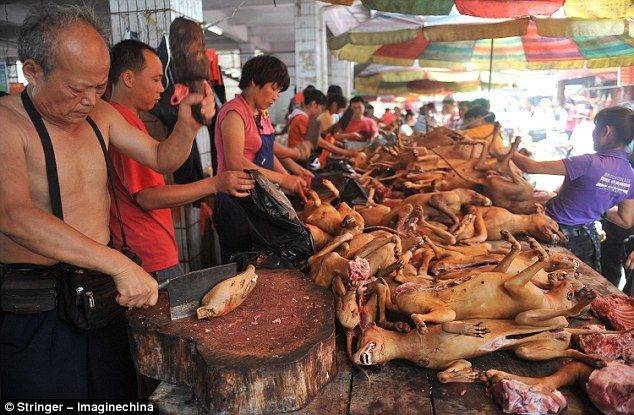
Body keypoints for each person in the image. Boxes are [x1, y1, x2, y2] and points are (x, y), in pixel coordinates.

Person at [0, 4, 214, 398]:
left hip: (100, 290)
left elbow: (161, 157)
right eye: (76, 88)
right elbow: (15, 217)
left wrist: (187, 126)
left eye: (98, 87)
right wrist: (117, 263)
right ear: (32, 72)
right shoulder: (7, 124)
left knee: (115, 394)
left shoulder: (103, 115)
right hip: (36, 302)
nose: (89, 100)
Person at [107, 39, 253, 282]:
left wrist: (190, 124)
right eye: (155, 79)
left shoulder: (131, 121)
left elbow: (164, 158)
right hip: (146, 254)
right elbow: (147, 196)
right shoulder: (119, 121)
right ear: (128, 78)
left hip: (151, 248)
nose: (162, 88)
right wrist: (214, 184)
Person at [510, 106, 634, 273]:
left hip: (550, 231)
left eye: (595, 128)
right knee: (574, 285)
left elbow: (530, 167)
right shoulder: (630, 174)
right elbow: (625, 220)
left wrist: (503, 150)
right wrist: (598, 209)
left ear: (606, 131)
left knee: (536, 278)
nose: (593, 134)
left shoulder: (588, 162)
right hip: (586, 240)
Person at [214, 55, 307, 262]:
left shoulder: (259, 114)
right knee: (240, 260)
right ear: (255, 82)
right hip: (236, 200)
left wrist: (288, 178)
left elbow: (265, 151)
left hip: (258, 197)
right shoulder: (234, 113)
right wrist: (283, 179)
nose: (276, 96)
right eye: (274, 89)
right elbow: (236, 163)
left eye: (279, 91)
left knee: (261, 262)